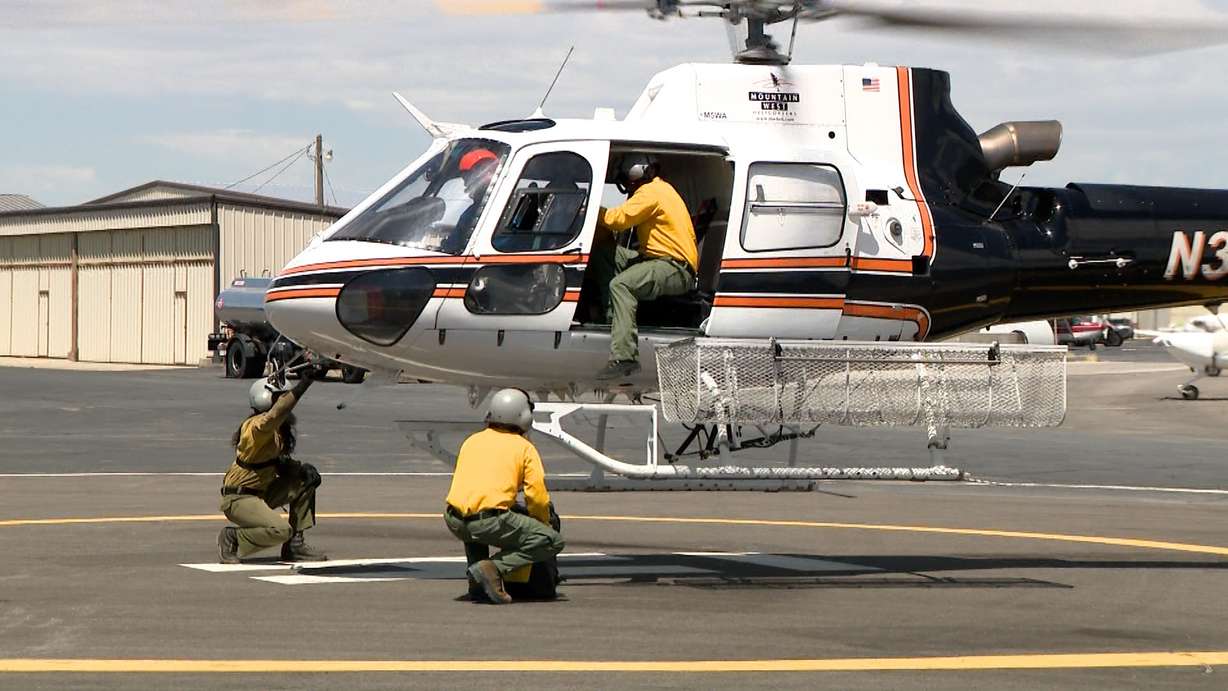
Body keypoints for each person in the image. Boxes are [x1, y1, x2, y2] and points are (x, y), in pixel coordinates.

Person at [443, 388, 564, 605]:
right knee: (551, 541)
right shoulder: (524, 447)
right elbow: (537, 497)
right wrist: (541, 523)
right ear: (523, 416)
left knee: (473, 526)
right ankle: (492, 568)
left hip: (455, 519)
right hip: (489, 521)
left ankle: (477, 584)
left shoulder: (472, 440)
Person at [591, 154, 698, 381]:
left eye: (627, 179)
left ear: (636, 175)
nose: (627, 184)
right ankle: (613, 317)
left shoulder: (651, 192)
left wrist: (589, 208)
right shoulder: (661, 189)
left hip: (674, 268)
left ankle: (625, 357)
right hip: (657, 260)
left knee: (620, 285)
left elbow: (616, 220)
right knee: (602, 251)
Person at [217, 370, 326, 564]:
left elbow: (278, 463)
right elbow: (275, 414)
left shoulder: (276, 433)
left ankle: (295, 545)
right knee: (281, 530)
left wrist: (303, 470)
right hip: (240, 498)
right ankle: (232, 538)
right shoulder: (256, 427)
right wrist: (304, 383)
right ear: (265, 398)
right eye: (280, 397)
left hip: (261, 494)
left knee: (304, 479)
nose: (285, 404)